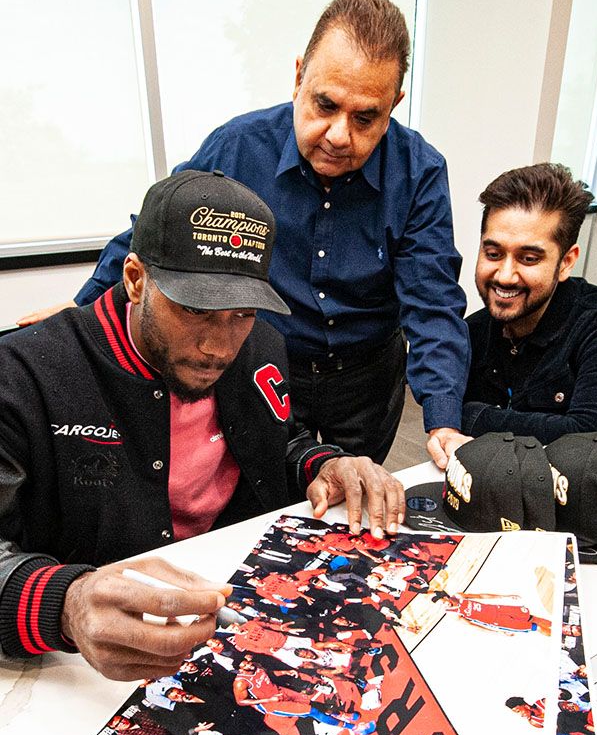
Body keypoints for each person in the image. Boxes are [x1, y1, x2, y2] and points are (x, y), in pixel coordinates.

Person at [19, 0, 470, 469]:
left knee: (352, 491)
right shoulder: (238, 147)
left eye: (365, 118)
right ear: (298, 77)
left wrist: (443, 420)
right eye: (325, 105)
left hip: (367, 376)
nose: (339, 135)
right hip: (266, 364)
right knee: (266, 480)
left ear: (394, 105)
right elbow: (155, 232)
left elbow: (433, 301)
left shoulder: (419, 172)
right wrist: (81, 306)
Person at [0, 170, 404, 681]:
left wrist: (322, 464)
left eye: (242, 313)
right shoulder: (23, 376)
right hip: (82, 670)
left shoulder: (263, 348)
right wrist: (64, 605)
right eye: (194, 309)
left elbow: (276, 437)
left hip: (238, 613)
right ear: (135, 279)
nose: (219, 345)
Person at [461, 162, 597, 443]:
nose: (506, 276)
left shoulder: (593, 325)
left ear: (566, 263)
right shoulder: (470, 333)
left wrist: (473, 416)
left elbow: (589, 435)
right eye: (493, 253)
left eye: (529, 259)